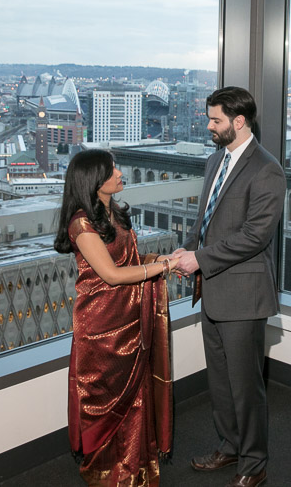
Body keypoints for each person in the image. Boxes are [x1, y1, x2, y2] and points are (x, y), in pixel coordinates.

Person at [170, 86, 285, 487]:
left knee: (246, 387)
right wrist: (186, 252)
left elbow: (255, 236)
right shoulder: (215, 160)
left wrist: (199, 259)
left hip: (243, 297)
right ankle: (230, 446)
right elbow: (207, 224)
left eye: (215, 120)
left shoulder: (267, 169)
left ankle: (254, 465)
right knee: (220, 381)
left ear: (239, 122)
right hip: (214, 292)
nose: (209, 125)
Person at [53, 149, 175, 487]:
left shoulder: (115, 213)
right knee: (105, 402)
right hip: (102, 328)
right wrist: (162, 267)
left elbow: (128, 261)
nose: (120, 174)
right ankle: (109, 473)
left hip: (131, 318)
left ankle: (135, 469)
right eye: (112, 170)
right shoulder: (81, 223)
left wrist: (157, 259)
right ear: (95, 181)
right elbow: (112, 275)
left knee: (136, 399)